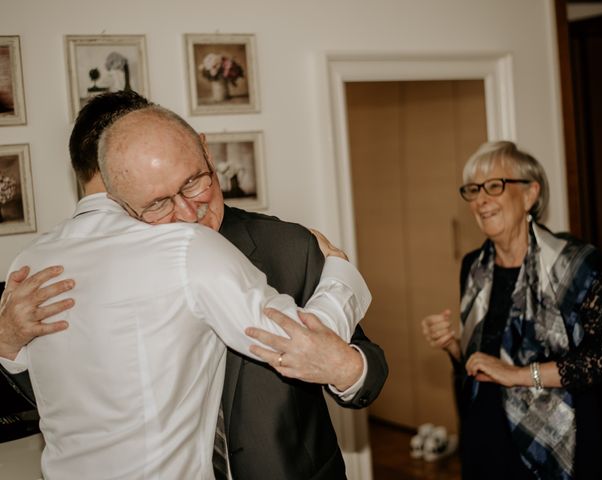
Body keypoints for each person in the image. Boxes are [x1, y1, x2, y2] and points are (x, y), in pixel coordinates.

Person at [0, 91, 388, 479]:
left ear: (203, 150)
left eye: (194, 183)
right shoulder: (76, 272)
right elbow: (77, 406)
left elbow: (364, 358)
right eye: (157, 202)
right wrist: (7, 343)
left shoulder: (289, 245)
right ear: (121, 197)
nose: (187, 214)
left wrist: (345, 366)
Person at [421, 141, 602, 480]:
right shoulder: (475, 266)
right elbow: (478, 364)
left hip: (560, 440)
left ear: (530, 194)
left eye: (494, 186)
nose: (480, 200)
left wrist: (518, 374)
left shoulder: (574, 267)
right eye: (473, 190)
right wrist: (453, 345)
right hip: (486, 440)